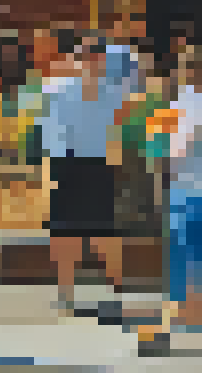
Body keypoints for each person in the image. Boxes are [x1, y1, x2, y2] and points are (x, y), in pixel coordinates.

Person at [44, 34, 142, 315]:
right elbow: (52, 131)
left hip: (97, 163)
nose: (88, 62)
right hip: (71, 162)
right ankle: (67, 292)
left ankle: (115, 289)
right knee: (67, 232)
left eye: (92, 56)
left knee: (102, 231)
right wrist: (54, 166)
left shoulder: (112, 91)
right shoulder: (63, 90)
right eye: (84, 56)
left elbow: (133, 74)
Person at [149, 47, 202, 353]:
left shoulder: (180, 106)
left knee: (182, 257)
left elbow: (167, 153)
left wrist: (162, 185)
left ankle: (174, 321)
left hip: (185, 192)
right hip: (188, 190)